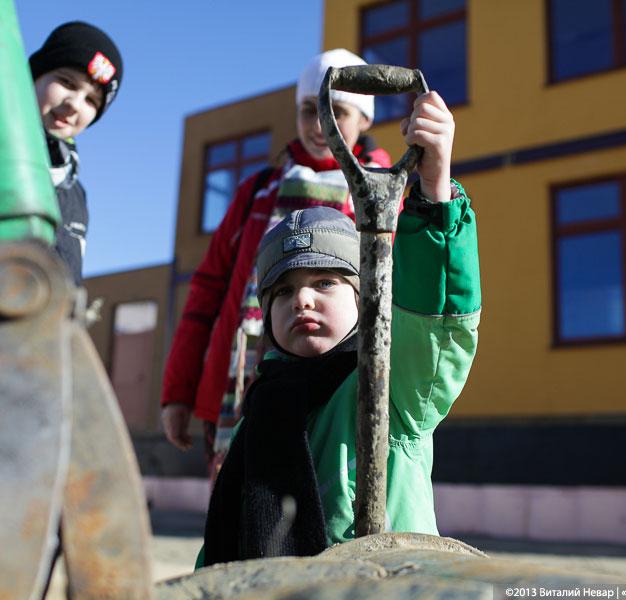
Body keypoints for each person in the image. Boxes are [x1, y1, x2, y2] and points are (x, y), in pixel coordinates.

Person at [199, 87, 481, 566]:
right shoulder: (260, 410)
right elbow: (224, 537)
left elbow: (436, 322)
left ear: (365, 299)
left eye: (325, 282)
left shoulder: (392, 387)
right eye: (282, 292)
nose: (302, 298)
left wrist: (434, 193)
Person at [161, 49, 392, 474]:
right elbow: (206, 293)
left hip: (344, 389)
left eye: (335, 110)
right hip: (239, 393)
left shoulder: (387, 193)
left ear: (365, 120)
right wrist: (180, 393)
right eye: (308, 109)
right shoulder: (256, 193)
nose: (319, 124)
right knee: (238, 523)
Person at [29, 21, 123, 285]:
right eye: (66, 82)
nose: (73, 104)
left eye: (91, 100)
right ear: (34, 76)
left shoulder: (75, 193)